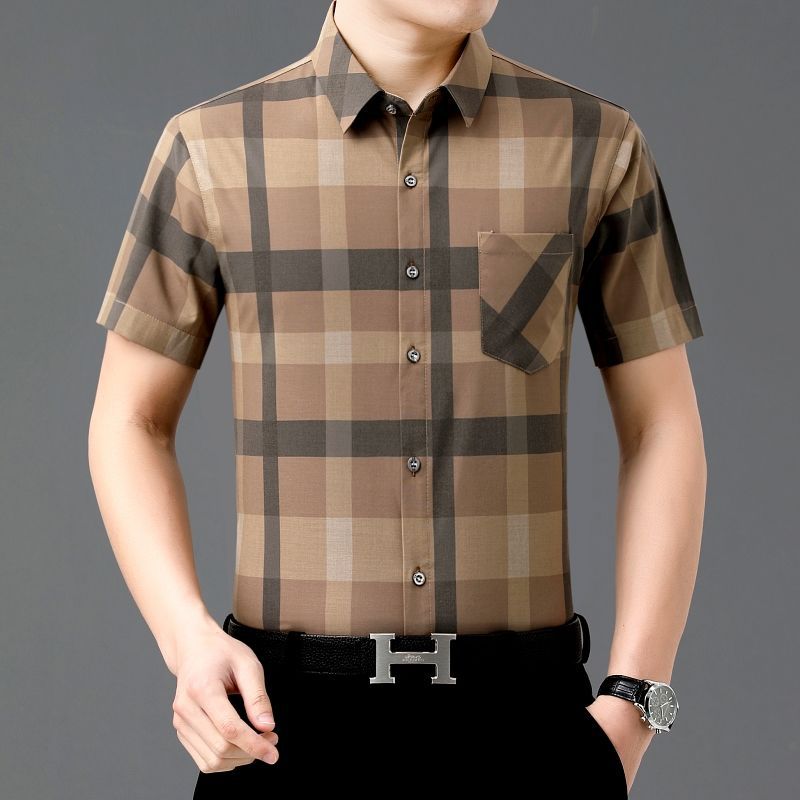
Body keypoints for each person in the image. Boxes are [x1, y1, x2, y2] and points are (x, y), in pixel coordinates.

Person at [87, 0, 706, 795]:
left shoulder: (594, 143)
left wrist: (633, 703)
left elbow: (661, 427)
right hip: (282, 731)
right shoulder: (210, 150)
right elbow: (130, 420)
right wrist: (186, 638)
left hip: (528, 727)